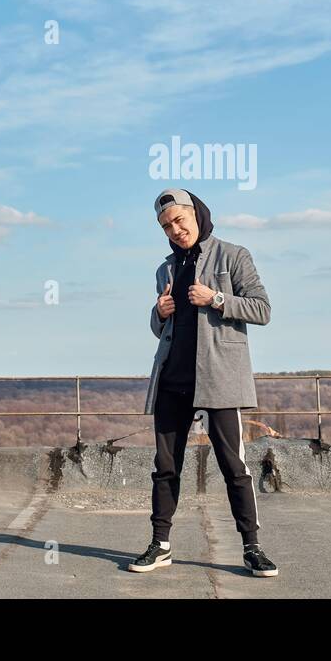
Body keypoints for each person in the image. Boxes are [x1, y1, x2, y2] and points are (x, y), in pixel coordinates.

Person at [128, 188, 278, 578]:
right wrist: (158, 312)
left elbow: (262, 310)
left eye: (180, 220)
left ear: (197, 214)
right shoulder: (165, 269)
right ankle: (160, 546)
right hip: (172, 382)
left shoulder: (233, 255)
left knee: (234, 466)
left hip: (219, 380)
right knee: (165, 467)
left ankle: (252, 547)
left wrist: (216, 299)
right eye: (166, 226)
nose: (175, 230)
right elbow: (160, 329)